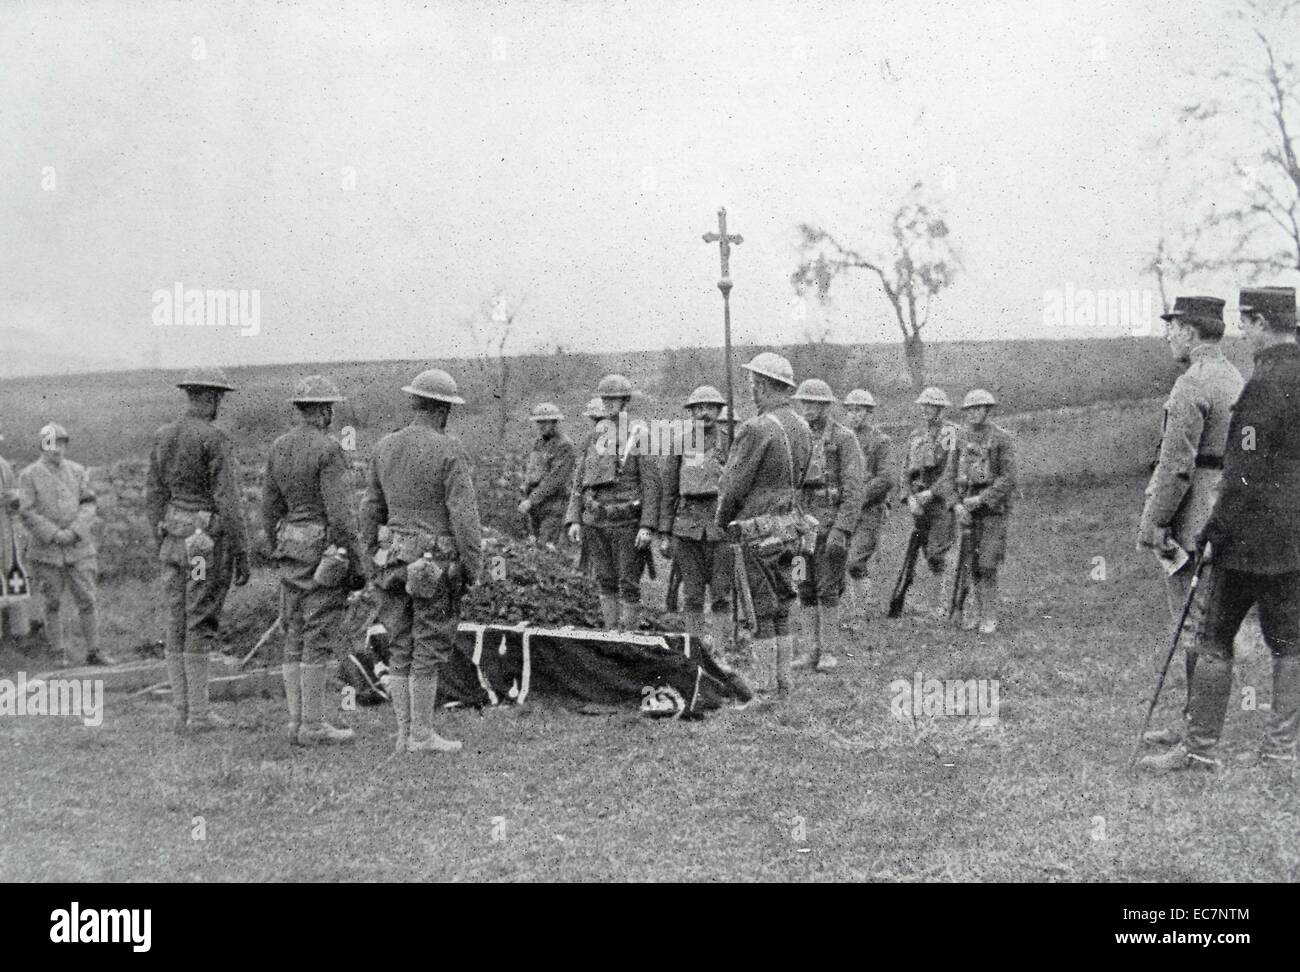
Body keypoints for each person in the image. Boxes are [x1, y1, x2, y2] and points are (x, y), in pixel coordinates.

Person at [1140, 286, 1300, 774]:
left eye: (1248, 323)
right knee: (1290, 644)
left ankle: (1198, 747)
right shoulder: (1253, 377)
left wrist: (1214, 525)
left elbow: (1243, 467)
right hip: (1293, 537)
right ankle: (1281, 748)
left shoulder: (1261, 383)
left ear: (1259, 323)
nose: (1243, 332)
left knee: (1211, 638)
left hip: (1246, 536)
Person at [1136, 296, 1243, 746]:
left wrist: (1154, 523)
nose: (1167, 335)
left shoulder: (1191, 384)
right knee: (1207, 625)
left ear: (1190, 331)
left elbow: (1176, 467)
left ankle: (1196, 736)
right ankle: (1192, 724)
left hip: (1193, 520)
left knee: (1195, 627)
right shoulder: (1235, 378)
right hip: (1227, 512)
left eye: (1172, 327)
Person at [360, 368, 482, 754]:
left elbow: (370, 508)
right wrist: (472, 565)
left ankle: (404, 734)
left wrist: (372, 556)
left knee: (399, 644)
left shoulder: (384, 447)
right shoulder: (450, 450)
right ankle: (421, 735)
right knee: (428, 645)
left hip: (392, 562)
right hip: (435, 565)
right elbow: (464, 516)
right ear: (444, 410)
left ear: (415, 403)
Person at [145, 367, 250, 732]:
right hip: (202, 548)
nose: (219, 404)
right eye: (218, 398)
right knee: (199, 620)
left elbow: (154, 494)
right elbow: (229, 501)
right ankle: (199, 715)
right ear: (211, 398)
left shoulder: (163, 434)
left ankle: (182, 711)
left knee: (176, 622)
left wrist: (162, 536)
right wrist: (241, 552)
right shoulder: (214, 437)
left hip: (173, 541)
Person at [262, 375, 362, 747]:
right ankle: (314, 725)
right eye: (330, 408)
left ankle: (296, 722)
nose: (331, 414)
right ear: (323, 410)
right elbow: (341, 516)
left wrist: (280, 544)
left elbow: (268, 508)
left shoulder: (278, 447)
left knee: (294, 635)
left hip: (289, 549)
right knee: (317, 638)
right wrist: (352, 562)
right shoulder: (328, 449)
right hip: (322, 553)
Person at [716, 352, 812, 700]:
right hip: (791, 526)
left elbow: (731, 486)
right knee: (783, 604)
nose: (752, 391)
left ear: (764, 386)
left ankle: (765, 687)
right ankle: (783, 682)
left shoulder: (756, 428)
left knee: (760, 609)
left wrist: (722, 522)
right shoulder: (803, 427)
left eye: (755, 384)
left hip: (756, 529)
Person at [565, 374, 659, 629]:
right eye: (605, 398)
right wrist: (574, 519)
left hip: (627, 520)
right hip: (595, 519)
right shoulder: (592, 438)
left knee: (628, 581)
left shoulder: (639, 435)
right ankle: (610, 632)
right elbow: (579, 480)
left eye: (614, 399)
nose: (608, 403)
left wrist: (647, 525)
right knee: (604, 579)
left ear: (625, 401)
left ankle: (627, 636)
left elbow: (651, 484)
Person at [18, 424, 110, 666]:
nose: (56, 449)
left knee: (87, 599)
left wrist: (75, 531)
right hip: (46, 551)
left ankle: (94, 651)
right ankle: (58, 652)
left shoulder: (78, 471)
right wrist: (53, 534)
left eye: (61, 443)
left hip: (79, 549)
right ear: (42, 446)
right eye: (50, 443)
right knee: (52, 601)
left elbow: (89, 504)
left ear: (66, 446)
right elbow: (26, 511)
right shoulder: (29, 475)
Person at [790, 379, 865, 671]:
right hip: (798, 528)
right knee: (802, 585)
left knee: (827, 588)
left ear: (825, 406)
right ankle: (811, 650)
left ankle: (829, 651)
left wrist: (842, 529)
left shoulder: (844, 439)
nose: (808, 408)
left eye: (814, 403)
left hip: (829, 527)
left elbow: (854, 488)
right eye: (804, 403)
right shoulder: (795, 436)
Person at [657, 385, 731, 654]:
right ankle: (695, 650)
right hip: (686, 528)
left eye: (710, 407)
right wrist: (664, 533)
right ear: (691, 413)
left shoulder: (731, 442)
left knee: (722, 594)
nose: (704, 413)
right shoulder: (679, 443)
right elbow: (668, 490)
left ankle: (720, 651)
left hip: (720, 527)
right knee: (692, 594)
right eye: (699, 408)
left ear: (719, 411)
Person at [952, 390, 1016, 633]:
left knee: (987, 563)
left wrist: (982, 499)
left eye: (980, 408)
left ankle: (989, 616)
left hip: (992, 511)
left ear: (988, 410)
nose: (975, 413)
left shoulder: (1002, 439)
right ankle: (977, 614)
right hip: (967, 511)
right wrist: (957, 505)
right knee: (971, 564)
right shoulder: (959, 438)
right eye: (971, 409)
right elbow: (950, 474)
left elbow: (1008, 478)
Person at [899, 387, 959, 616]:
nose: (925, 410)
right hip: (919, 502)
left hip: (941, 501)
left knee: (936, 553)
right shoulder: (916, 434)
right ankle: (934, 602)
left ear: (941, 408)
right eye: (923, 405)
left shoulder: (949, 434)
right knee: (926, 553)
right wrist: (908, 497)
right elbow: (905, 469)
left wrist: (932, 493)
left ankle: (939, 605)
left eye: (931, 406)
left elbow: (951, 469)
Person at [842, 389, 892, 612]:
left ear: (869, 412)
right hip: (844, 508)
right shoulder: (842, 439)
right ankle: (858, 608)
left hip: (869, 509)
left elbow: (886, 477)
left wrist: (860, 496)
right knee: (844, 560)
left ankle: (866, 606)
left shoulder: (880, 441)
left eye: (859, 410)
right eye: (850, 410)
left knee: (856, 559)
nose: (854, 415)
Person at [518, 403, 576, 546]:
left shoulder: (564, 446)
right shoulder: (537, 443)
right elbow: (531, 471)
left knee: (546, 549)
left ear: (555, 422)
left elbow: (555, 480)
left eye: (545, 422)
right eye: (539, 422)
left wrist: (531, 500)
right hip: (535, 505)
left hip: (553, 505)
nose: (541, 426)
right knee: (533, 548)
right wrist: (525, 492)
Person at [0, 432, 32, 645]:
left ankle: (20, 634)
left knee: (12, 573)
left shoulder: (2, 465)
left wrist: (13, 499)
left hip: (4, 529)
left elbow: (14, 498)